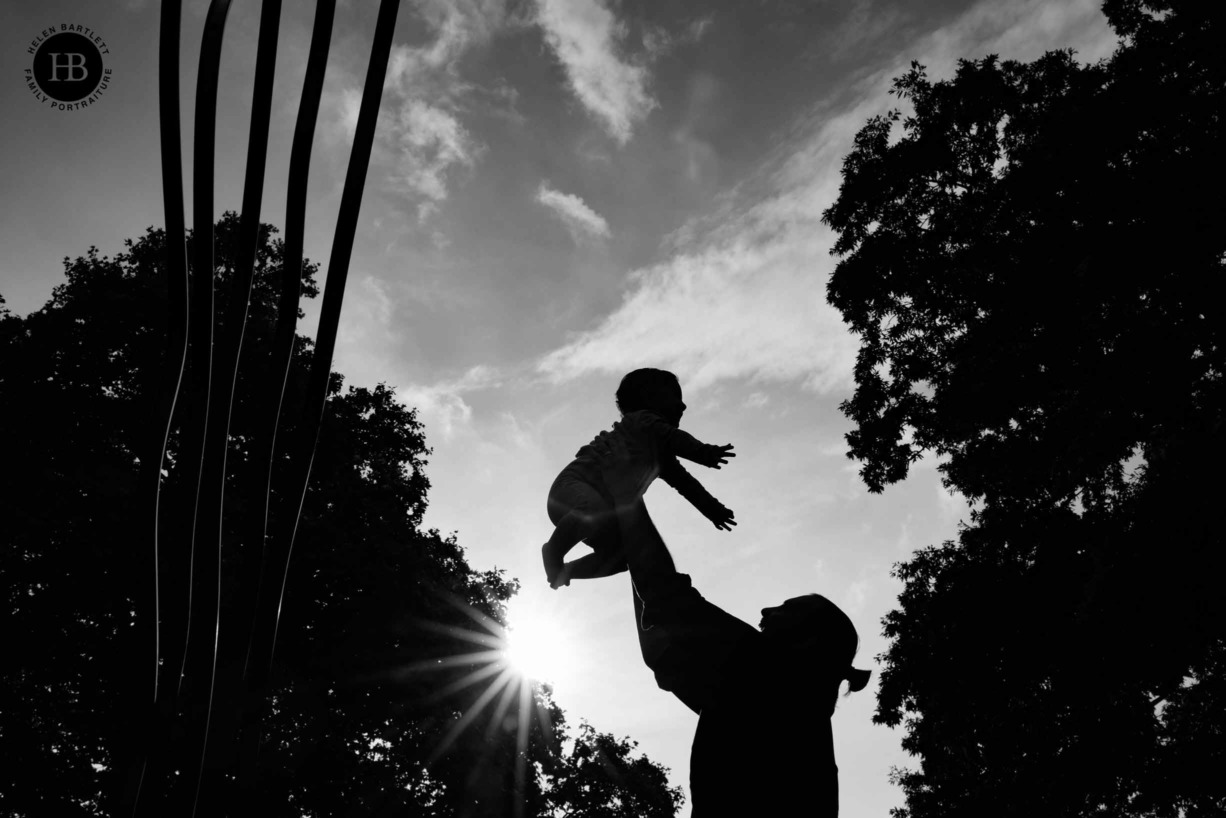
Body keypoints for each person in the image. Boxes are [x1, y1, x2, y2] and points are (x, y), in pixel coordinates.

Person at [591, 426, 871, 816]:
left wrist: (627, 497)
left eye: (787, 609)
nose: (766, 612)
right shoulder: (778, 704)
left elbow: (669, 599)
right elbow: (662, 652)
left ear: (810, 640)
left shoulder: (770, 673)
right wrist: (633, 554)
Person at [541, 368, 736, 589]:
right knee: (592, 509)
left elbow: (686, 484)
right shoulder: (641, 420)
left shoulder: (662, 457)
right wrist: (703, 452)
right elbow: (673, 437)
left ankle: (565, 572)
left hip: (601, 512)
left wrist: (713, 510)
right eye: (675, 398)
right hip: (573, 488)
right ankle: (553, 550)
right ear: (649, 399)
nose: (683, 406)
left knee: (622, 557)